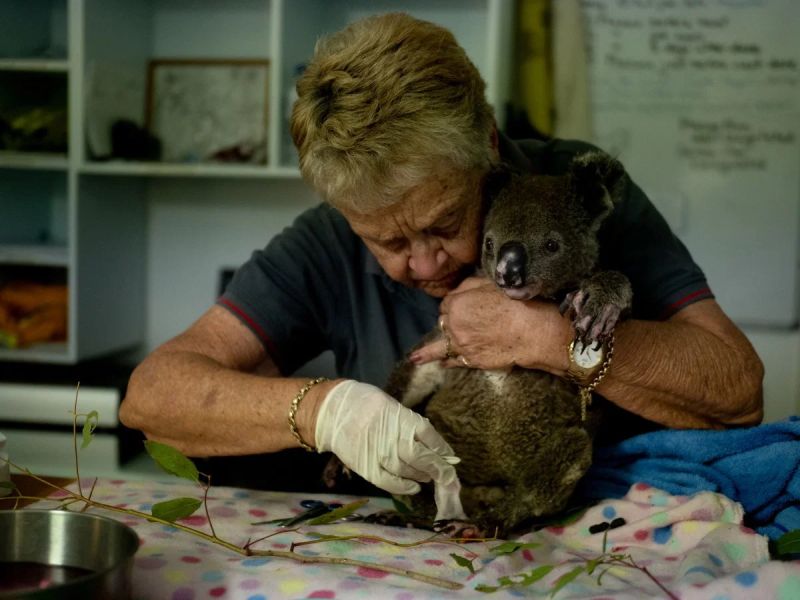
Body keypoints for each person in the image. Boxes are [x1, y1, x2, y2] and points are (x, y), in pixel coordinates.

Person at [119, 13, 764, 518]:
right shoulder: (322, 243)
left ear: (486, 145)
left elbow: (738, 393)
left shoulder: (571, 194)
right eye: (385, 241)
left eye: (445, 224)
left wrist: (547, 339)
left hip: (596, 528)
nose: (423, 263)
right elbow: (152, 398)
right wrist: (325, 411)